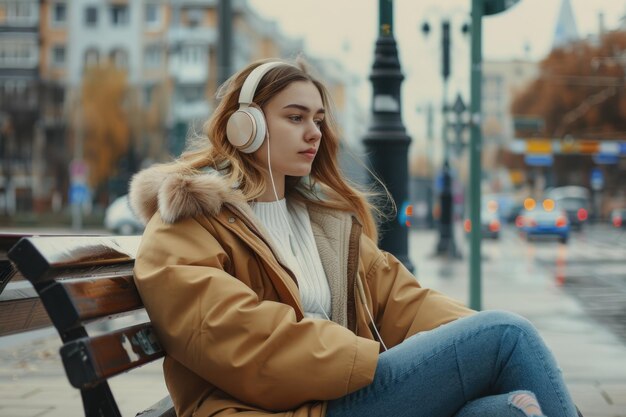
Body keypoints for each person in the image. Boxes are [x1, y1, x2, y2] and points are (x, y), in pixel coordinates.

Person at [130, 57, 580, 417]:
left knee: (507, 411)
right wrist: (370, 363)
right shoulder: (187, 223)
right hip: (264, 409)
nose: (314, 133)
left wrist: (460, 341)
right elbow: (235, 337)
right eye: (295, 117)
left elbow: (405, 301)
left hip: (336, 394)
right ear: (244, 126)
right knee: (506, 334)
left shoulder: (323, 224)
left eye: (319, 119)